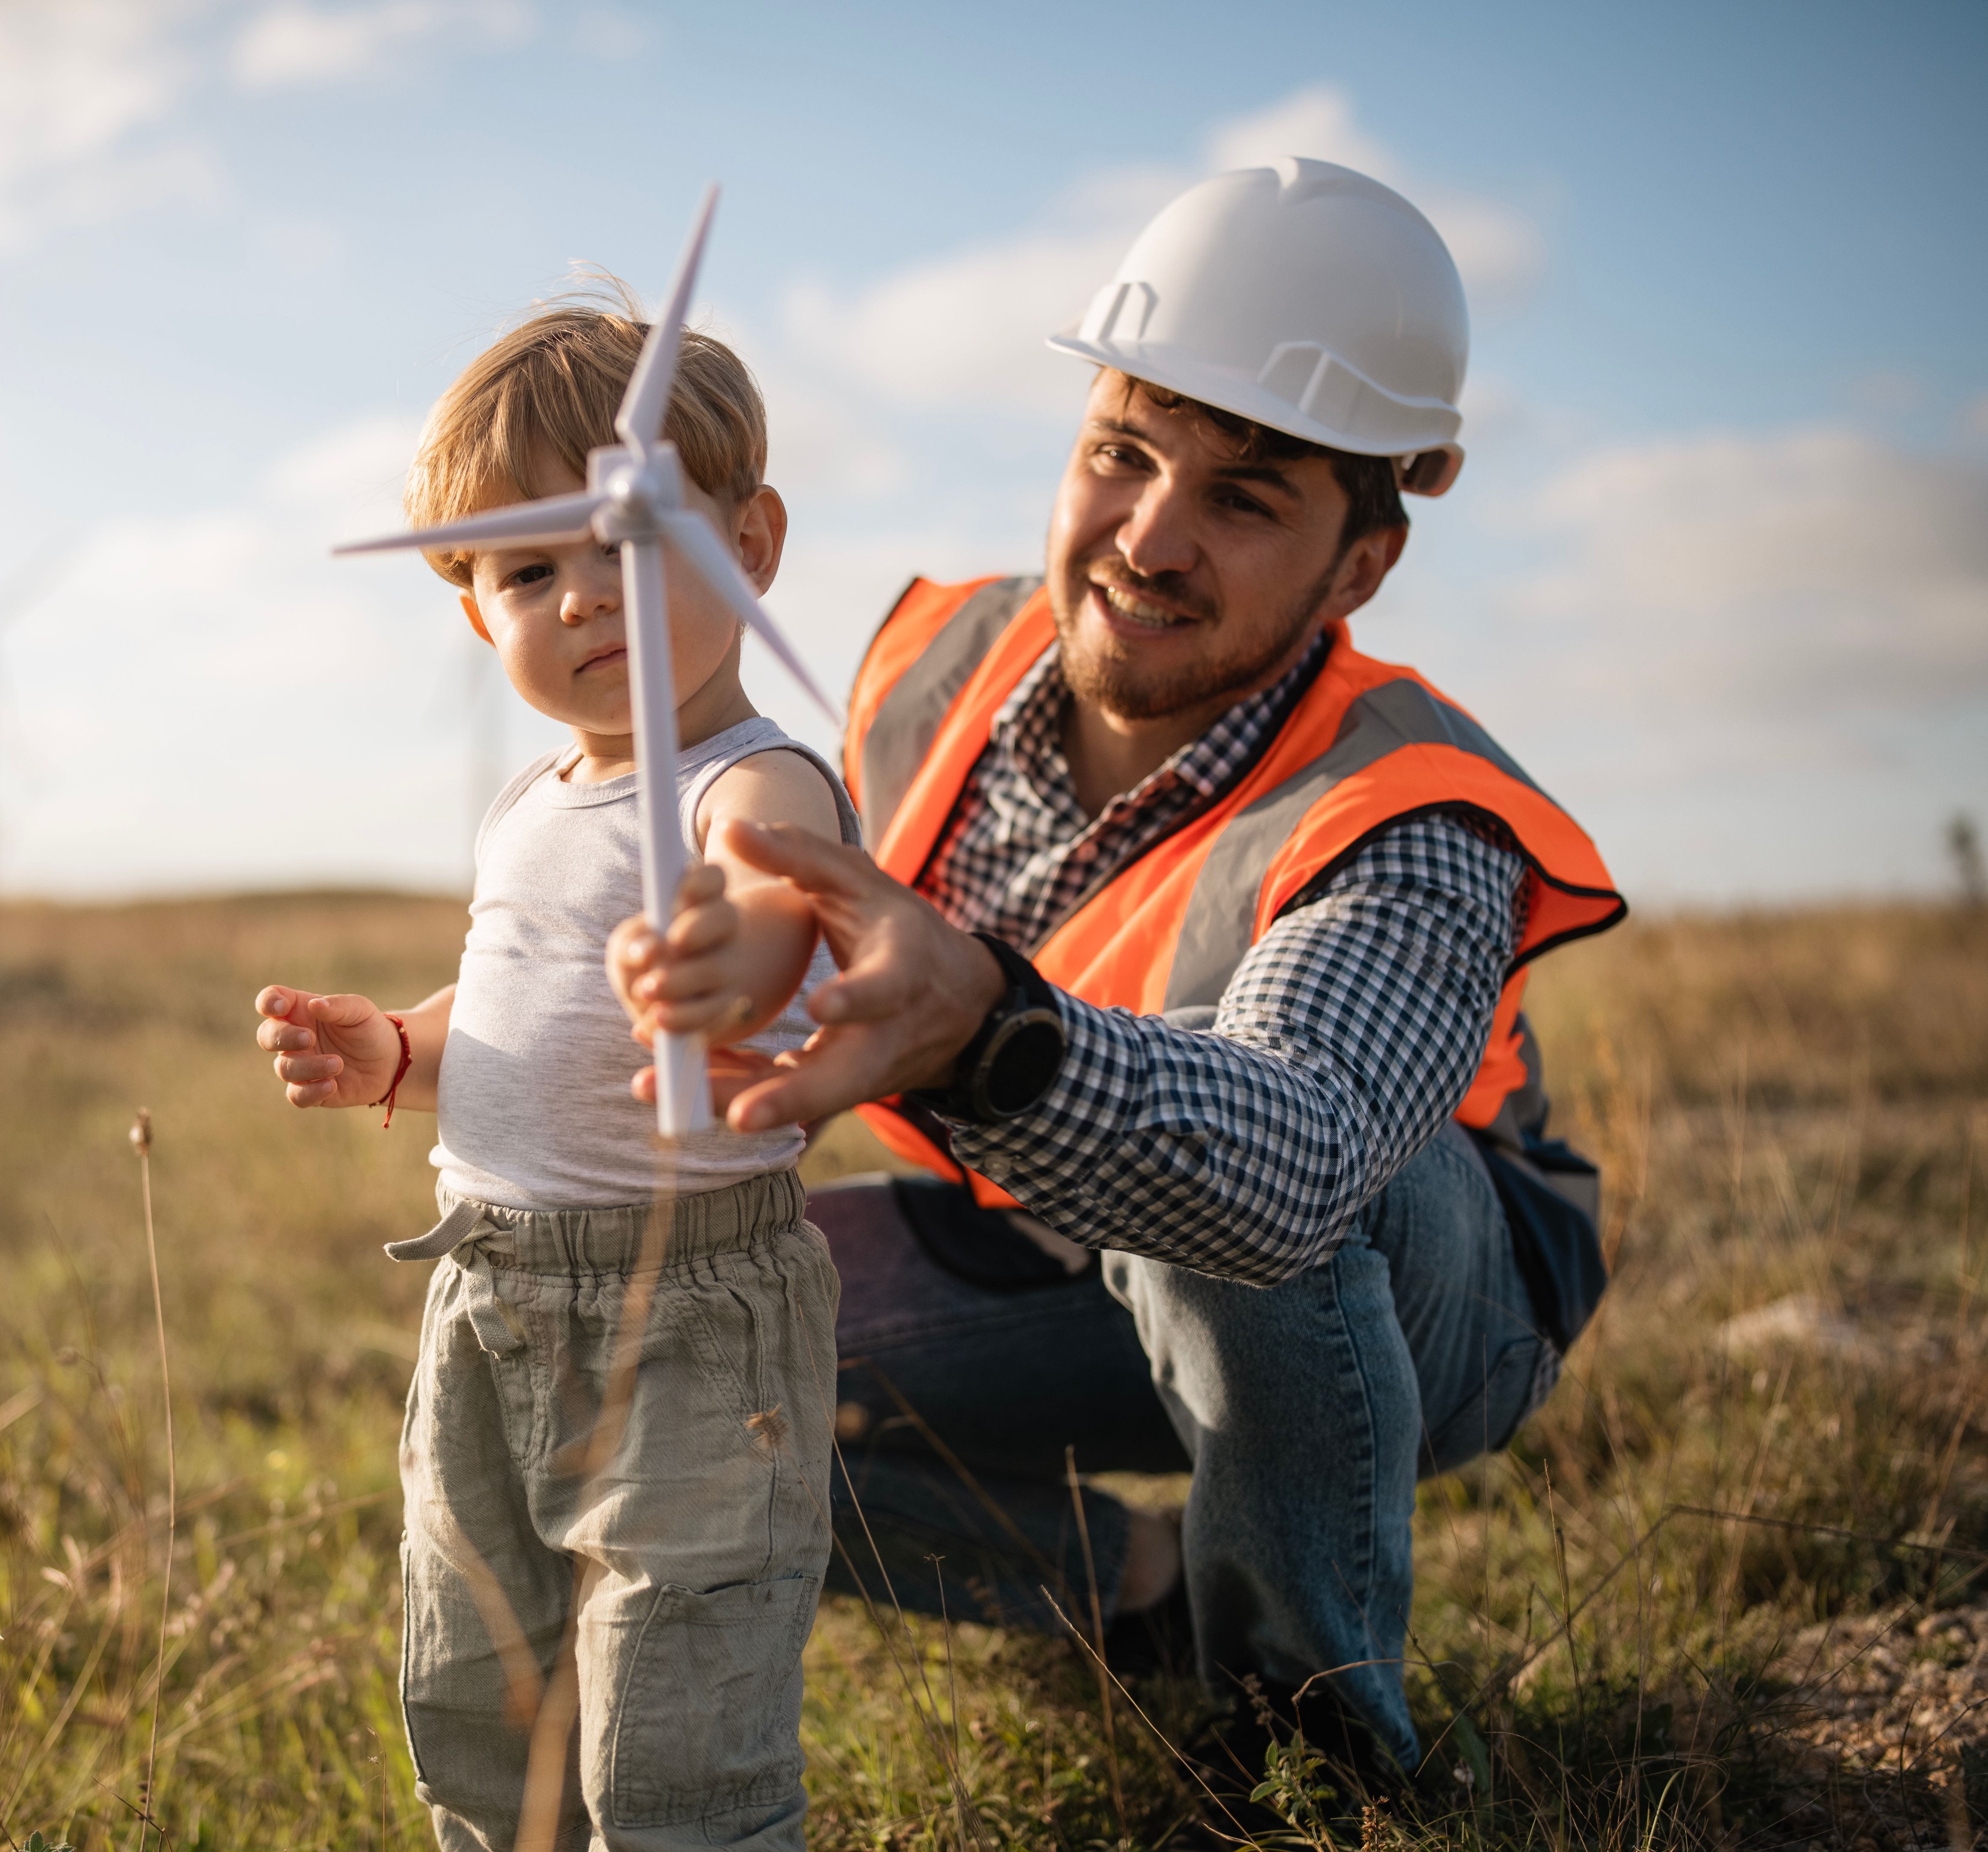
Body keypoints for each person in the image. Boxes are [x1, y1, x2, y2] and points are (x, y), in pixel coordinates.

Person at [613, 159, 1627, 1800]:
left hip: (1421, 1287)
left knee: (1238, 1204)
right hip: (1047, 1244)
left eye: (1245, 496)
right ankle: (1136, 1595)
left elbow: (1294, 1166)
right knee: (632, 1360)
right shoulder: (934, 653)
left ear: (1360, 566)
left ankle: (1313, 1751)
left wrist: (987, 1032)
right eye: (1122, 454)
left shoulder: (1417, 813)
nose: (1148, 538)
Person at [250, 296, 858, 1851]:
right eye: (532, 570)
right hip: (492, 1306)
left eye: (634, 544)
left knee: (676, 1723)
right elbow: (518, 991)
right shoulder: (531, 799)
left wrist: (741, 948)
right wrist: (403, 1049)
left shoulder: (754, 776)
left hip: (691, 1317)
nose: (589, 600)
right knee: (481, 1690)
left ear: (755, 541)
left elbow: (774, 892)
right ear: (475, 612)